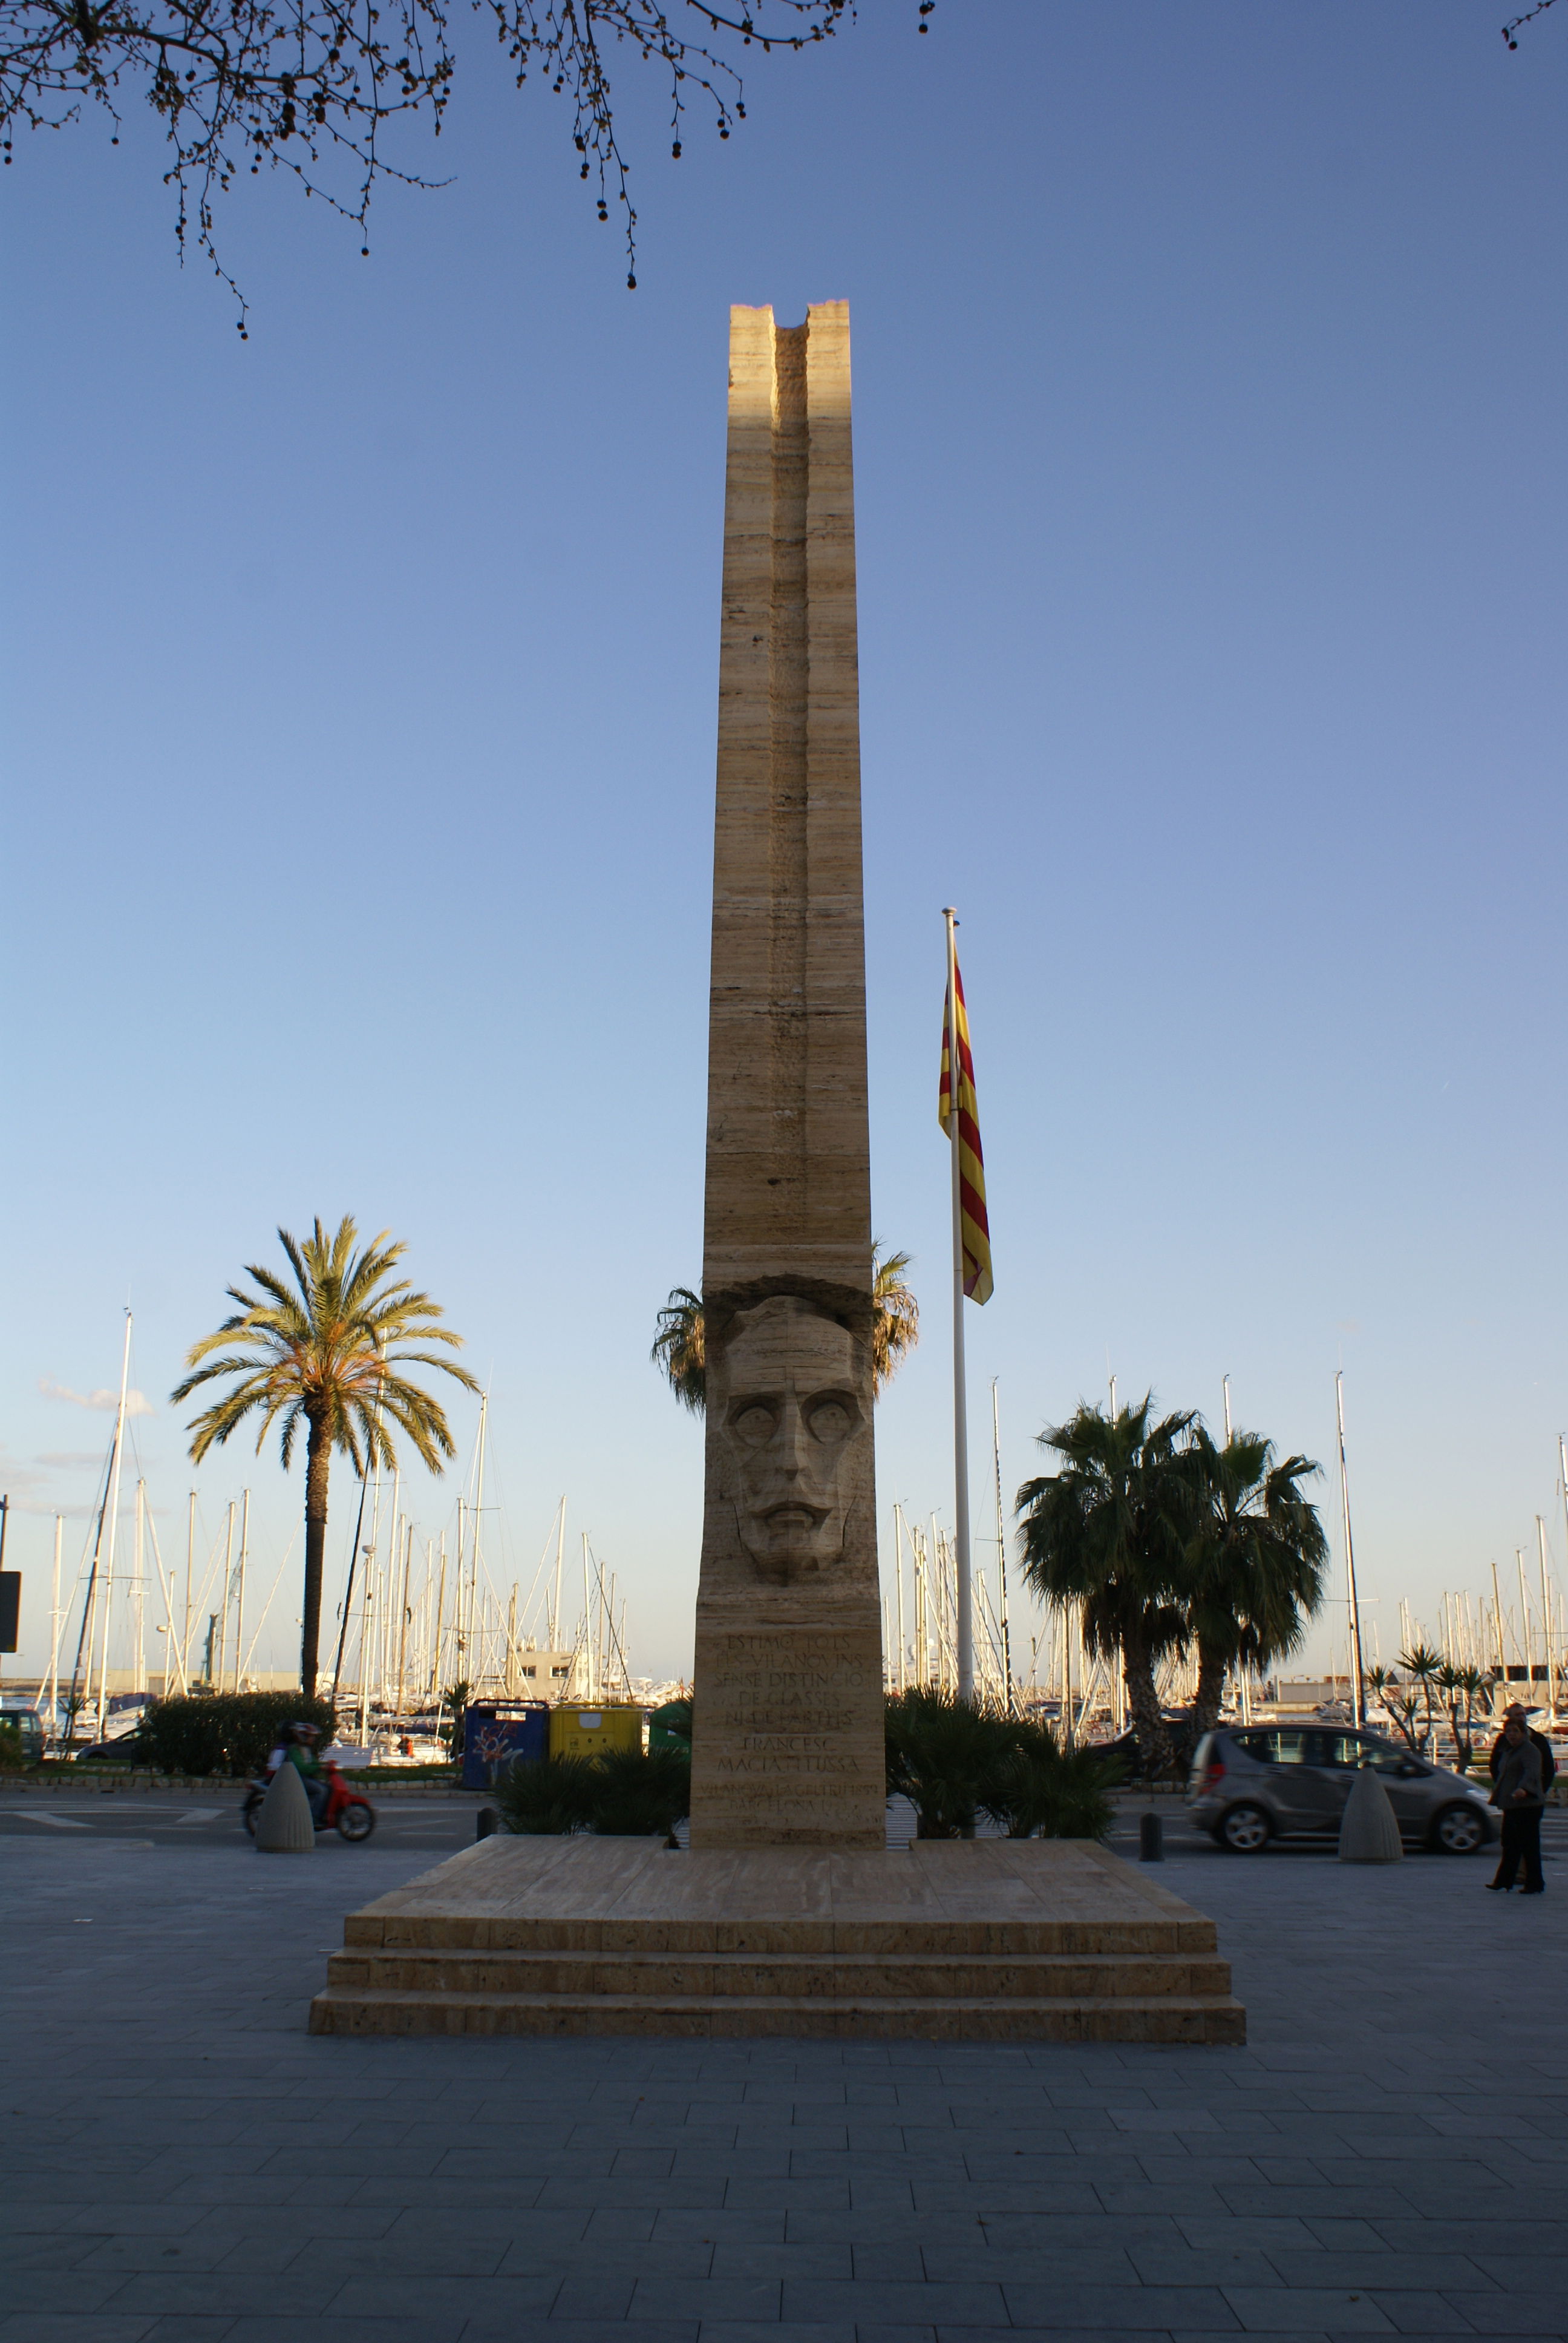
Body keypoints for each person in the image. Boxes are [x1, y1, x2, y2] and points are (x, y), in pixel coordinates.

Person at [1488, 1715, 1546, 1893]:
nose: (1511, 1735)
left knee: (1529, 1846)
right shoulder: (1509, 1751)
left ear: (1523, 1732)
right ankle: (1504, 1880)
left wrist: (1523, 1789)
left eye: (1515, 1731)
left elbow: (1532, 1773)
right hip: (1512, 1804)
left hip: (1527, 1805)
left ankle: (1535, 1883)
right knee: (1510, 1844)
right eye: (1508, 1731)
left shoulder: (1529, 1750)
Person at [280, 1721, 328, 1824]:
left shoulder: (306, 1749)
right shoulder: (294, 1750)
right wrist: (319, 1768)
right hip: (298, 1779)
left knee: (328, 1787)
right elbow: (302, 1768)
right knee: (322, 1791)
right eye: (311, 1736)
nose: (313, 1739)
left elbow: (314, 1763)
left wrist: (326, 1765)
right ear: (304, 1737)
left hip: (306, 1778)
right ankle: (314, 1818)